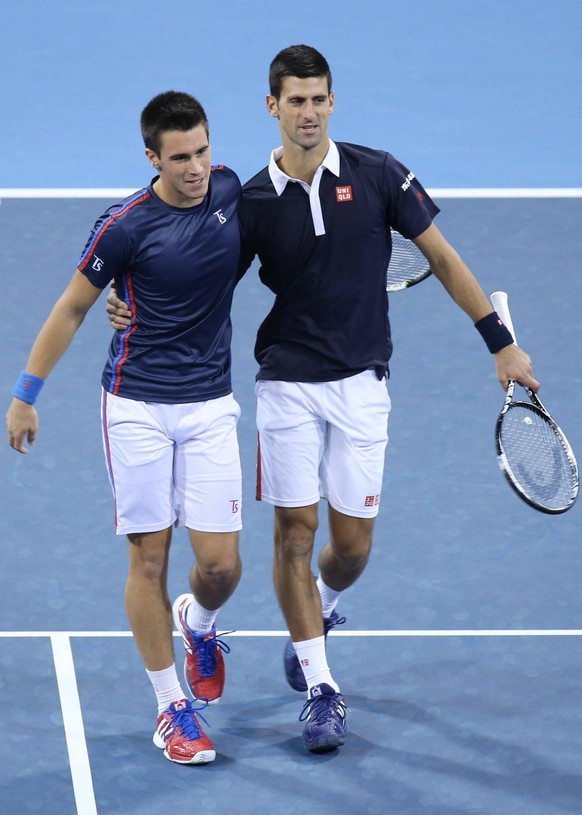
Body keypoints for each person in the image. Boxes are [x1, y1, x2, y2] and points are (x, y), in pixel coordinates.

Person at [107, 45, 539, 755]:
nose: (308, 113)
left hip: (363, 386)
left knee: (349, 550)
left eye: (319, 99)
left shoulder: (379, 175)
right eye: (295, 101)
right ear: (272, 107)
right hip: (286, 384)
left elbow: (445, 256)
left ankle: (326, 608)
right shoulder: (247, 202)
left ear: (332, 103)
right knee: (294, 536)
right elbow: (193, 267)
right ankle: (320, 688)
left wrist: (500, 342)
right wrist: (127, 299)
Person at [6, 91, 244, 765]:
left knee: (221, 566)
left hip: (209, 406)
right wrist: (26, 394)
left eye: (201, 150)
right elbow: (72, 307)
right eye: (180, 158)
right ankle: (172, 708)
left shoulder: (230, 191)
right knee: (148, 558)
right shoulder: (125, 227)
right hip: (135, 407)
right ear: (151, 158)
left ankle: (196, 620)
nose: (196, 167)